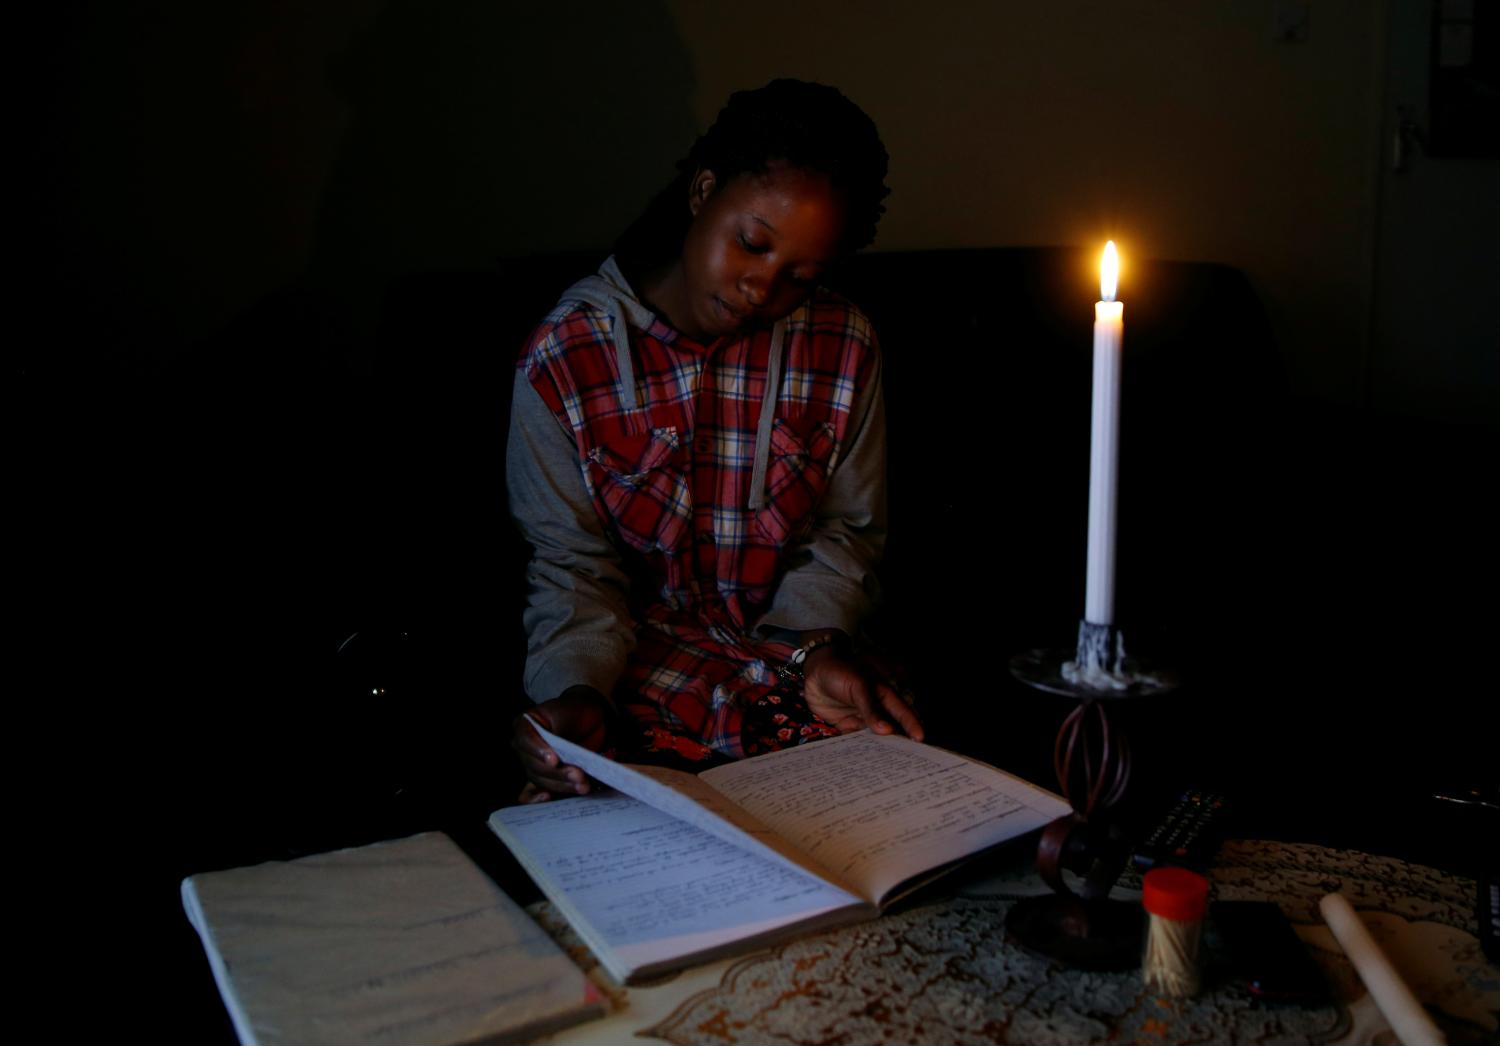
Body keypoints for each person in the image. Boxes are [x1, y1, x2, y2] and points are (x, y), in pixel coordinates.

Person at [507, 79, 921, 802]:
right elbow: (572, 566)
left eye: (801, 275)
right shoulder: (565, 359)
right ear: (703, 191)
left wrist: (813, 648)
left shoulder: (843, 346)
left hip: (796, 687)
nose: (763, 287)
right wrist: (578, 692)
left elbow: (845, 533)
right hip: (637, 698)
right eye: (753, 244)